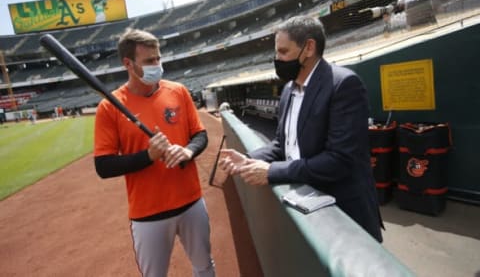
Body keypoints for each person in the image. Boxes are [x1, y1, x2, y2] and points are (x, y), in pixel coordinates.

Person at [219, 15, 383, 242]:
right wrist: (248, 159)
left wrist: (271, 171)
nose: (277, 59)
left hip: (343, 213)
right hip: (304, 206)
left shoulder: (344, 84)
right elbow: (282, 144)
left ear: (309, 48)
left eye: (283, 52)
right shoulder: (287, 89)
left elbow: (340, 160)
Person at [94, 28, 215, 277]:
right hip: (148, 214)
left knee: (204, 267)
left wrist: (188, 151)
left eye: (158, 58)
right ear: (128, 63)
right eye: (149, 61)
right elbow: (103, 166)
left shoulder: (178, 91)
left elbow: (200, 135)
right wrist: (148, 156)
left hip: (191, 202)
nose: (157, 65)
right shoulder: (110, 107)